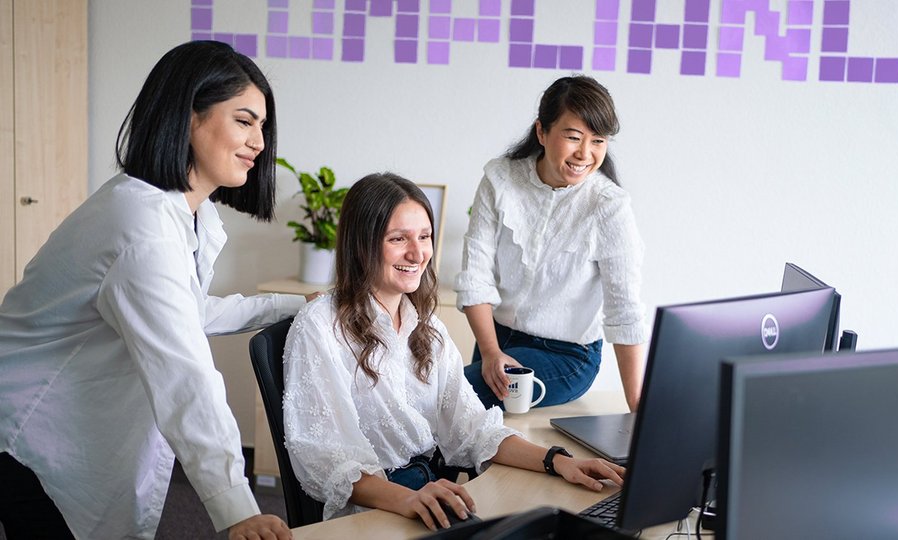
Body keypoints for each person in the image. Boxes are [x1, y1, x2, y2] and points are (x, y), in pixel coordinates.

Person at [0, 41, 313, 539]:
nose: (259, 141)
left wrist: (296, 305)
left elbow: (186, 312)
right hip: (30, 427)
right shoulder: (140, 225)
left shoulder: (181, 213)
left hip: (66, 419)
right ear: (189, 116)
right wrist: (237, 506)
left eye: (262, 126)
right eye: (244, 121)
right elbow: (185, 373)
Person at [282, 173, 625, 531]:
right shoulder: (320, 325)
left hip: (432, 491)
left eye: (424, 237)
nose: (417, 254)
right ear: (361, 245)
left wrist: (558, 461)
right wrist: (409, 498)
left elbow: (471, 428)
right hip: (376, 508)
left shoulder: (427, 326)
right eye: (398, 239)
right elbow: (323, 457)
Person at [455, 75, 646, 412]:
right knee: (458, 415)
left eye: (598, 141)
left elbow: (625, 310)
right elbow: (475, 277)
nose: (585, 154)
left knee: (453, 399)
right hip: (496, 339)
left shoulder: (610, 206)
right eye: (573, 137)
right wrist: (490, 351)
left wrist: (639, 411)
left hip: (567, 356)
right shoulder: (500, 180)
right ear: (541, 132)